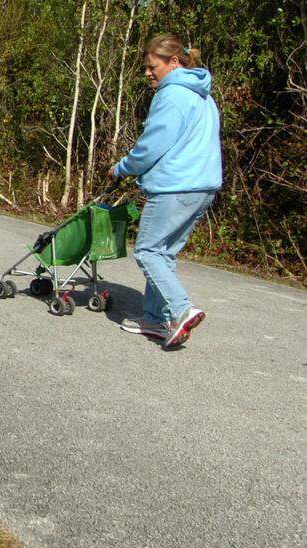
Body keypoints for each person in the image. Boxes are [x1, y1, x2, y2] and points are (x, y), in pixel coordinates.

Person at [112, 34, 221, 349]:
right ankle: (156, 320)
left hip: (177, 185)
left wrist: (123, 167)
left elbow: (152, 145)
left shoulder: (172, 93)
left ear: (174, 62)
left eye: (152, 66)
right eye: (146, 67)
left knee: (147, 250)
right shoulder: (202, 94)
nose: (148, 72)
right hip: (203, 185)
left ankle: (181, 310)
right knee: (164, 253)